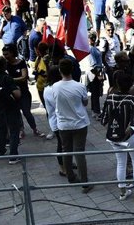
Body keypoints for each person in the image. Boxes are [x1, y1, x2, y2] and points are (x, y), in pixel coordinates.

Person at [101, 72, 134, 202]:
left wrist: (113, 131)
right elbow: (133, 122)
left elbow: (104, 120)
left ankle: (123, 192)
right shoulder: (132, 99)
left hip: (113, 137)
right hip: (131, 136)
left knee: (120, 163)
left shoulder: (110, 98)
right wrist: (125, 134)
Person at [53, 59, 93, 193]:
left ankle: (70, 175)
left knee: (66, 150)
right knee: (79, 152)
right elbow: (85, 102)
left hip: (64, 124)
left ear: (60, 71)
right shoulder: (79, 86)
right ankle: (85, 181)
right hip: (79, 123)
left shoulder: (55, 87)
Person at [3, 43, 45, 138]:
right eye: (4, 54)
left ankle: (34, 129)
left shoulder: (21, 62)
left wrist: (11, 79)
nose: (5, 56)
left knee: (26, 112)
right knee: (17, 113)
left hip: (24, 92)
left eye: (7, 54)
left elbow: (24, 77)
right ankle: (21, 130)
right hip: (12, 93)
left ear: (12, 53)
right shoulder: (5, 64)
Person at [0, 56, 22, 163]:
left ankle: (1, 150)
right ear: (4, 65)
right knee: (14, 131)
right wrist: (18, 89)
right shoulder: (7, 78)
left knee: (2, 129)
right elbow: (17, 95)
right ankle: (13, 156)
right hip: (11, 107)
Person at [43, 66, 68, 176]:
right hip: (58, 122)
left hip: (59, 120)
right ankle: (62, 168)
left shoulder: (50, 88)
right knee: (61, 144)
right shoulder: (52, 89)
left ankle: (67, 163)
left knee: (66, 144)